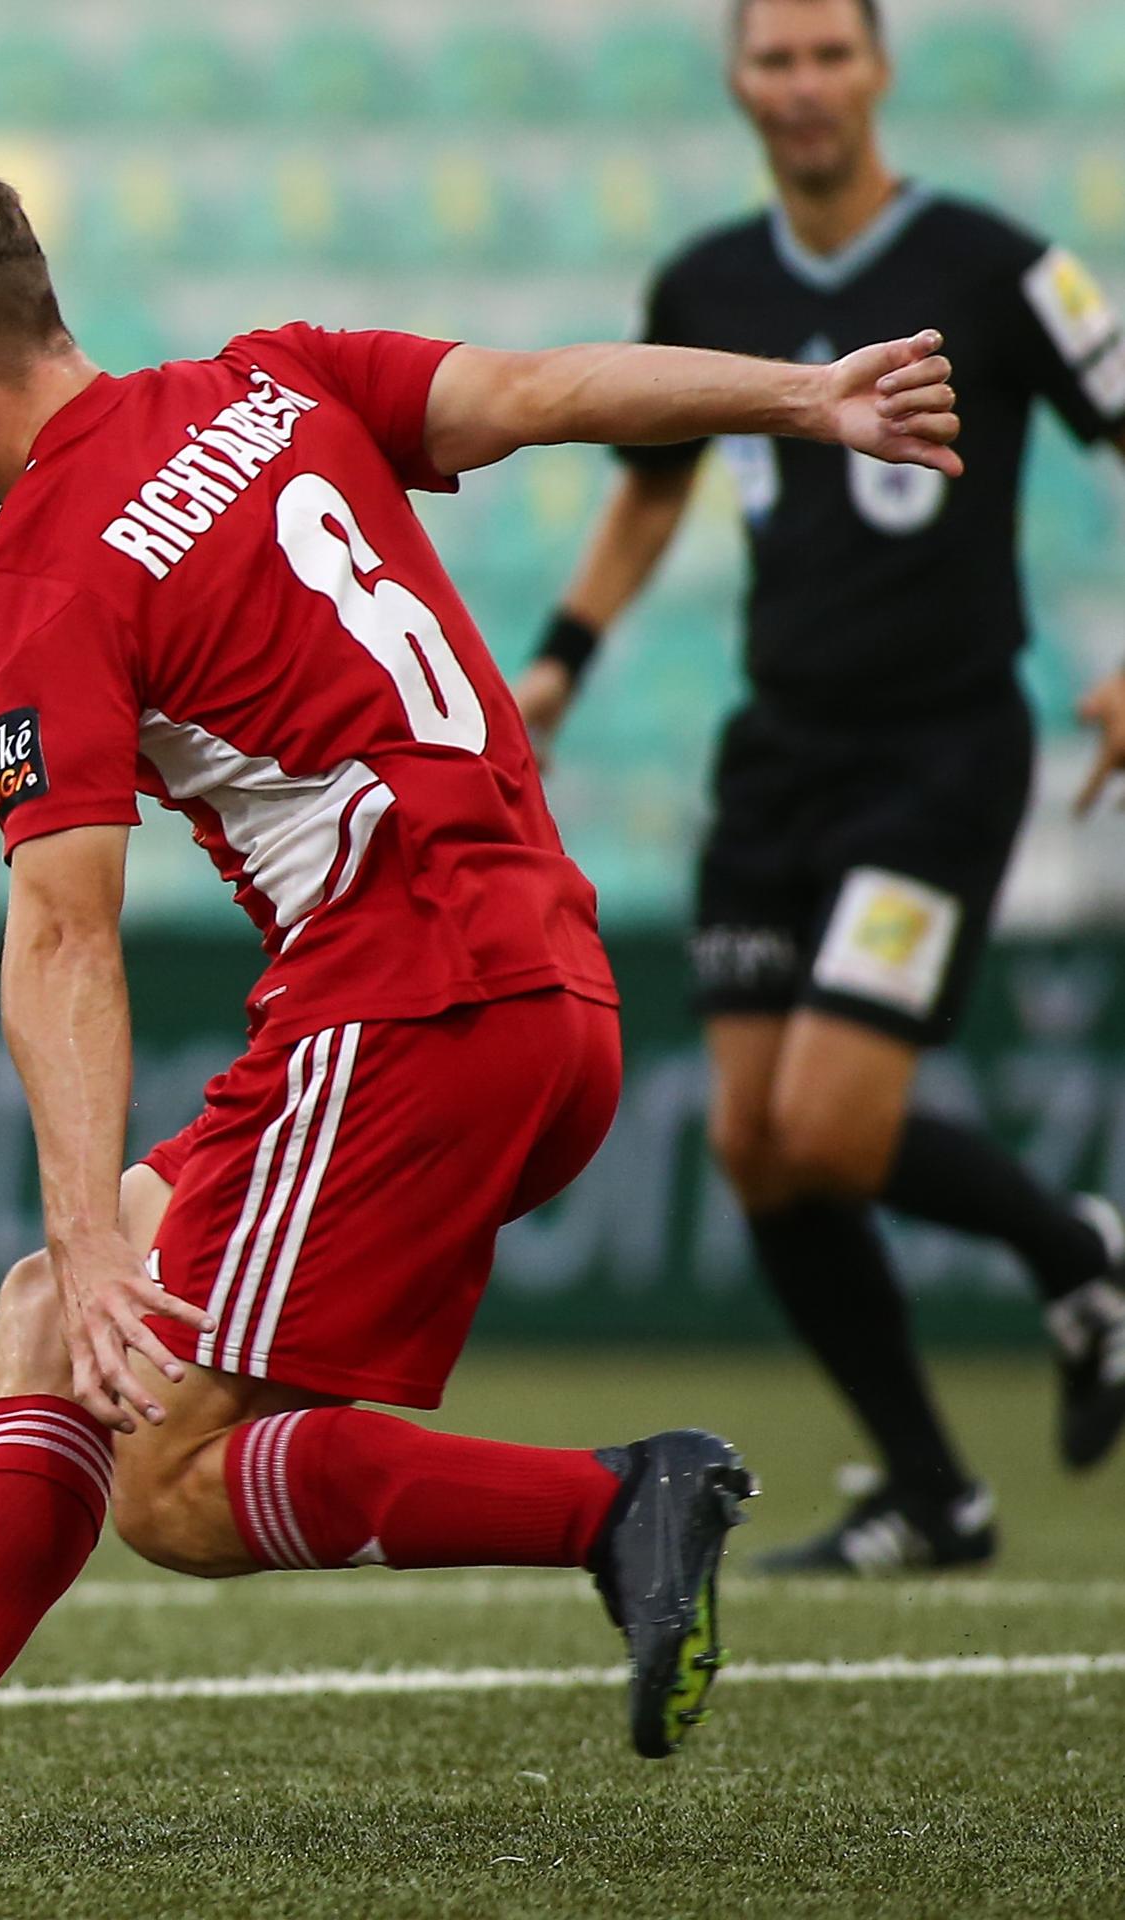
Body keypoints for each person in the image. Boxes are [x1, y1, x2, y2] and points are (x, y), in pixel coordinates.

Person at [0, 160, 963, 1860]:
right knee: (51, 1310)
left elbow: (61, 936)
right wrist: (802, 394)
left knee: (171, 1486)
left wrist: (90, 1210)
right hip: (539, 977)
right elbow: (546, 391)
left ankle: (616, 1502)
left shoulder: (38, 574)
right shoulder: (271, 380)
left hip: (407, 997)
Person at [515, 0, 1125, 1573]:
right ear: (735, 82)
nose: (799, 86)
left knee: (829, 1129)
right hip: (776, 752)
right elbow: (648, 498)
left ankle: (1078, 1250)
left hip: (939, 750)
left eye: (824, 55)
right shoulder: (705, 285)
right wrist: (563, 660)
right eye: (770, 60)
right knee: (751, 1145)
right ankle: (933, 1492)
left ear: (877, 72)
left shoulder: (996, 265)